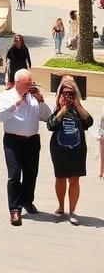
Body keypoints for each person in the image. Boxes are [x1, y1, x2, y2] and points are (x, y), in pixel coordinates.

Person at [0, 70, 51, 226]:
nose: (30, 85)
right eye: (27, 83)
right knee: (14, 174)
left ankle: (27, 200)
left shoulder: (34, 98)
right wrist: (16, 104)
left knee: (31, 173)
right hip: (13, 140)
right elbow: (0, 117)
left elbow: (47, 117)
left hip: (32, 140)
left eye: (31, 82)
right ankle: (14, 210)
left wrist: (40, 100)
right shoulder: (6, 96)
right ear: (18, 82)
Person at [46, 75, 94, 224]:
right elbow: (50, 125)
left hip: (77, 150)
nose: (67, 96)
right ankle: (60, 206)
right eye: (64, 93)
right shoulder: (57, 110)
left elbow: (89, 121)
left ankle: (72, 210)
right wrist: (62, 109)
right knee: (60, 178)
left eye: (70, 93)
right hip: (59, 150)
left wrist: (78, 106)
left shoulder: (79, 111)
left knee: (74, 180)